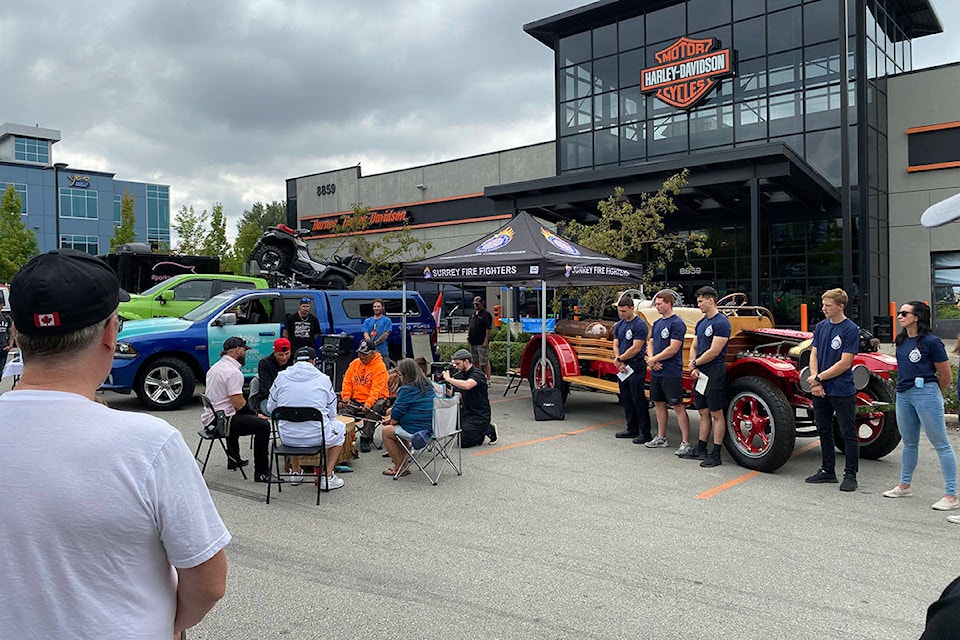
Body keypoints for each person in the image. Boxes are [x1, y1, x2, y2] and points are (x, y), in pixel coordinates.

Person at [0, 249, 228, 638]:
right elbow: (208, 581)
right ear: (110, 332)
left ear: (17, 335)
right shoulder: (149, 444)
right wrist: (169, 623)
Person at [883, 301, 958, 511]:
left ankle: (951, 495)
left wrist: (933, 395)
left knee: (941, 444)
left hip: (925, 391)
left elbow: (945, 375)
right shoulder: (902, 340)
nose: (899, 316)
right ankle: (904, 485)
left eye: (904, 313)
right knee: (909, 442)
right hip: (904, 393)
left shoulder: (932, 342)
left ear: (917, 317)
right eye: (899, 313)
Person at [266, 347, 346, 491]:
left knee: (290, 423)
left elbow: (270, 407)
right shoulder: (323, 379)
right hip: (317, 437)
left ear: (294, 361)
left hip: (287, 438)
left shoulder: (281, 377)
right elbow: (332, 412)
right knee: (339, 428)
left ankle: (295, 472)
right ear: (314, 362)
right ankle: (327, 477)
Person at [805, 288, 861, 492]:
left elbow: (845, 363)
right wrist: (816, 382)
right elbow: (814, 354)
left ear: (840, 306)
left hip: (841, 389)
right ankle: (828, 470)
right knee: (823, 429)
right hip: (820, 388)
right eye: (823, 305)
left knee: (848, 432)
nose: (824, 308)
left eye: (828, 305)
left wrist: (820, 377)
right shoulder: (821, 327)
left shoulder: (850, 329)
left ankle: (850, 475)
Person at [203, 336, 277, 483]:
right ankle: (262, 473)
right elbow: (238, 403)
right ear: (238, 350)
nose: (246, 354)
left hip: (212, 418)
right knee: (263, 426)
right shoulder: (233, 372)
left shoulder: (216, 367)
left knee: (236, 414)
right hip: (222, 423)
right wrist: (256, 415)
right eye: (244, 350)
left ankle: (233, 459)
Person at [683, 286, 731, 467]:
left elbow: (714, 351)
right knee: (702, 411)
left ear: (711, 300)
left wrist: (696, 364)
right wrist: (692, 364)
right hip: (700, 372)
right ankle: (701, 448)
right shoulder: (702, 323)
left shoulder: (721, 323)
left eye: (701, 301)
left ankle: (716, 453)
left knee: (716, 414)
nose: (698, 305)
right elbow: (695, 346)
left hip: (714, 372)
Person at [644, 290, 693, 455]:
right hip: (656, 371)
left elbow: (674, 348)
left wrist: (654, 359)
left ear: (669, 303)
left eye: (659, 304)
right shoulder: (657, 323)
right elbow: (650, 343)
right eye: (656, 304)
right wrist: (652, 359)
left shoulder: (677, 323)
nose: (657, 306)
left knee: (677, 405)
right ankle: (661, 437)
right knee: (658, 403)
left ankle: (686, 442)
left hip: (671, 371)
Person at [382, 358, 436, 476]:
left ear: (407, 375)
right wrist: (392, 416)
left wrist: (391, 420)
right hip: (432, 427)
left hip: (417, 430)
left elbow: (395, 418)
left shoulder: (406, 390)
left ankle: (400, 467)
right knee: (391, 415)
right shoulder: (427, 385)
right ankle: (403, 464)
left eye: (401, 375)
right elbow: (409, 408)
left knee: (387, 432)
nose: (400, 378)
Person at [611, 294, 652, 444]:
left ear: (632, 309)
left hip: (635, 364)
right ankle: (631, 427)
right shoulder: (620, 325)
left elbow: (636, 347)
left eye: (624, 311)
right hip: (623, 365)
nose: (621, 314)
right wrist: (618, 360)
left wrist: (621, 358)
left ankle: (645, 431)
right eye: (620, 311)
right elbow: (615, 344)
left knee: (638, 398)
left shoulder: (639, 325)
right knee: (626, 398)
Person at [340, 338, 391, 452]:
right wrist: (346, 397)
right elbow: (347, 381)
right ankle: (346, 439)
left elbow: (376, 389)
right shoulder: (354, 363)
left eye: (365, 354)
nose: (362, 356)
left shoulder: (380, 366)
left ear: (373, 353)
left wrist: (368, 403)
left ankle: (366, 438)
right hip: (356, 399)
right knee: (344, 411)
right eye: (360, 353)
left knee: (374, 407)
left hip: (377, 398)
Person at [442, 348, 497, 447]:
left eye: (458, 364)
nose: (456, 366)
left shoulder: (477, 374)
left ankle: (487, 429)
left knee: (464, 442)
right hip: (467, 410)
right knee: (453, 429)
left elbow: (467, 385)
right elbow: (459, 395)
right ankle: (475, 430)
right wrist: (443, 389)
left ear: (466, 362)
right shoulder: (460, 374)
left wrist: (449, 379)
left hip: (479, 414)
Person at [250, 337, 292, 415]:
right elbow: (266, 388)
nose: (284, 358)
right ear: (274, 352)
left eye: (287, 354)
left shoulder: (293, 361)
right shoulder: (265, 363)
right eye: (280, 355)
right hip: (269, 398)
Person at [467, 296, 494, 382]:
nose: (476, 306)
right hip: (473, 340)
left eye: (477, 304)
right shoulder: (472, 314)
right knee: (475, 361)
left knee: (484, 361)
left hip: (481, 341)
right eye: (474, 304)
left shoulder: (486, 314)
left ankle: (488, 378)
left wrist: (486, 340)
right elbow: (470, 326)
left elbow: (488, 328)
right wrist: (468, 336)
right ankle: (477, 376)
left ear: (482, 303)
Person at [362, 298, 392, 362]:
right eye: (374, 306)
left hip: (382, 352)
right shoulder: (367, 321)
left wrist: (375, 343)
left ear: (382, 307)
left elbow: (386, 334)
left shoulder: (387, 320)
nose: (376, 308)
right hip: (369, 353)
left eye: (378, 306)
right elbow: (365, 333)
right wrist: (369, 343)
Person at [0, 289, 13, 374]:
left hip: (3, 348)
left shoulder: (6, 318)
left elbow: (10, 332)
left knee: (0, 372)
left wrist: (10, 345)